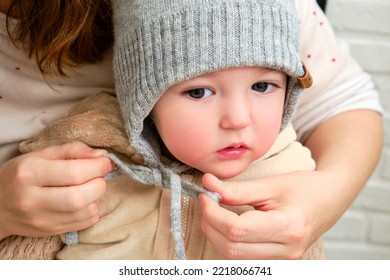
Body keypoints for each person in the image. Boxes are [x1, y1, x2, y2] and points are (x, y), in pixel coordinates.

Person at [0, 0, 383, 260]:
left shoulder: (287, 161)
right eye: (198, 91)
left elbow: (344, 100)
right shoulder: (93, 151)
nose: (237, 119)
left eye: (263, 86)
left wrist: (324, 198)